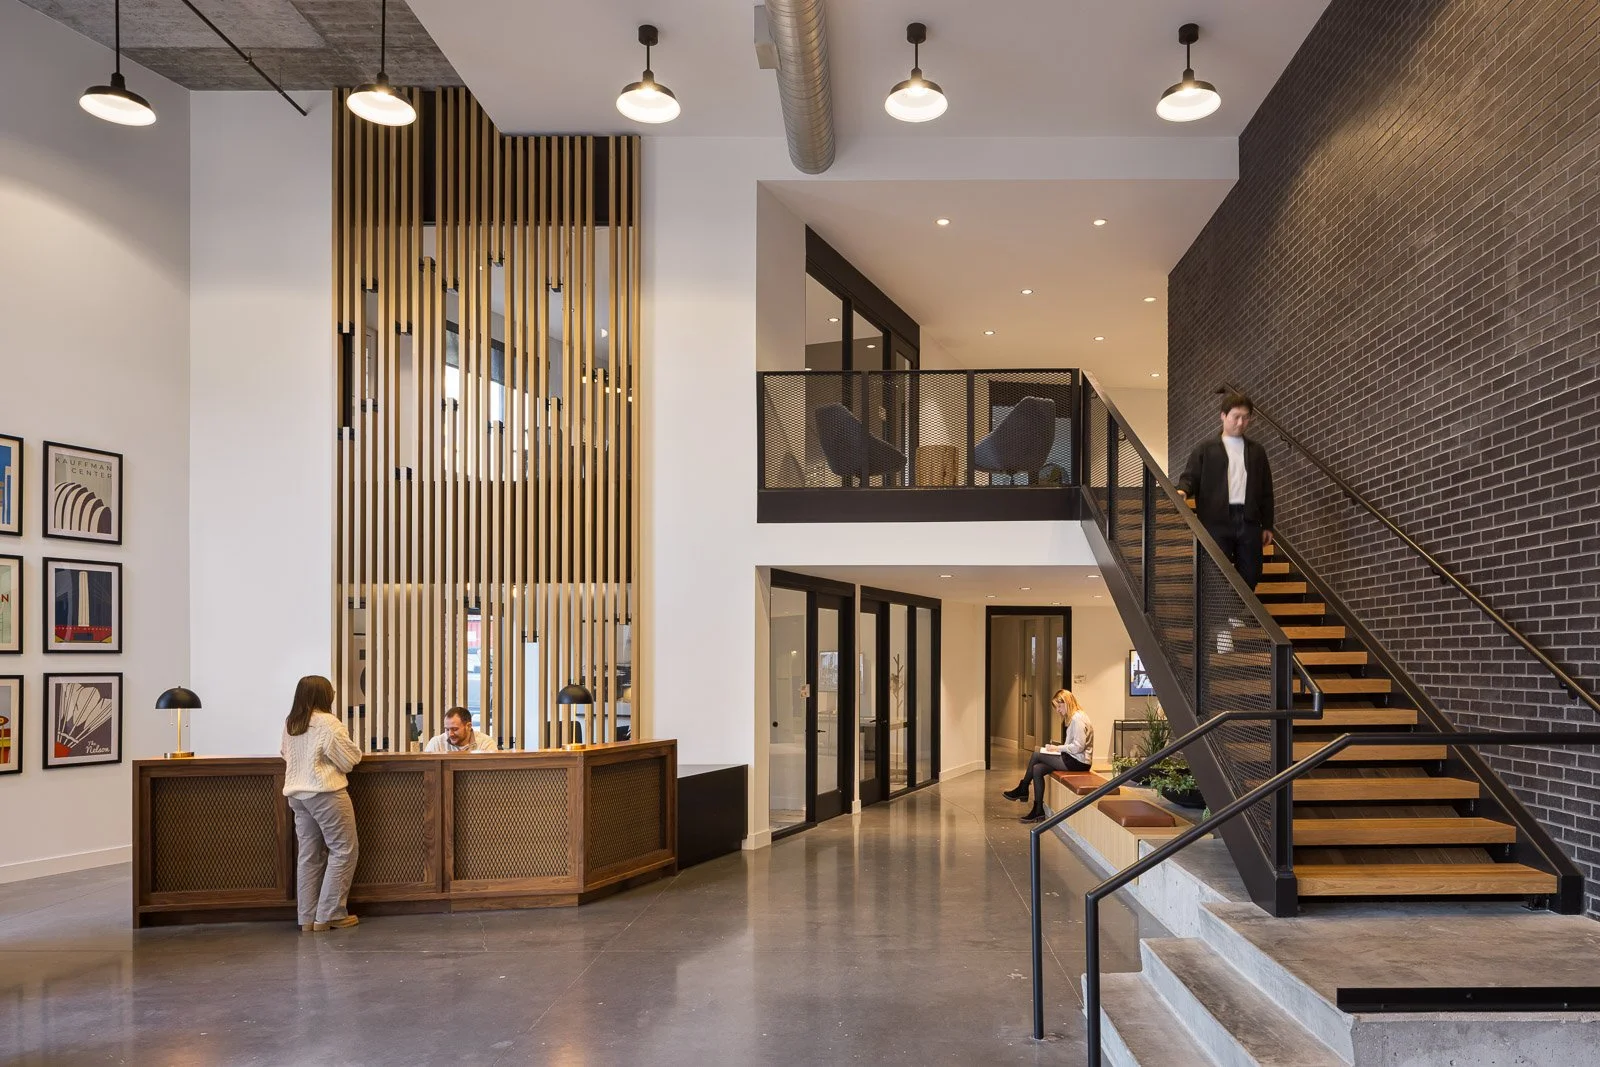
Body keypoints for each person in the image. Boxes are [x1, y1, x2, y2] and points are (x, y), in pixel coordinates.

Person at [280, 675, 363, 933]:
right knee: (343, 850)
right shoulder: (327, 723)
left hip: (297, 795)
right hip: (325, 793)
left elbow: (284, 753)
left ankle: (306, 918)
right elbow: (349, 759)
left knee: (309, 855)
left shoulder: (291, 723)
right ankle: (331, 914)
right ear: (323, 695)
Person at [1175, 392, 1275, 591]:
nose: (1240, 422)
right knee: (1214, 571)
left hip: (1249, 519)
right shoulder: (1206, 449)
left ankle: (1233, 614)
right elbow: (1190, 476)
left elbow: (1266, 489)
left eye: (1246, 418)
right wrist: (1183, 491)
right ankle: (1226, 617)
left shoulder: (1257, 451)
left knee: (1252, 571)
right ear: (1223, 416)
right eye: (1236, 417)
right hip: (1216, 519)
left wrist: (1268, 525)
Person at [1004, 689, 1095, 823]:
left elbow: (1078, 747)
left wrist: (1056, 748)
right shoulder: (1076, 717)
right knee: (1037, 769)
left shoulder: (1077, 719)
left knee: (1036, 753)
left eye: (1059, 706)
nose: (1057, 710)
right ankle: (1038, 810)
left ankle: (1023, 789)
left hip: (1078, 762)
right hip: (1073, 759)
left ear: (1067, 702)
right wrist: (1057, 750)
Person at [423, 706, 499, 753]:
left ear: (468, 726)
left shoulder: (485, 744)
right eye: (447, 729)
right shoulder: (436, 743)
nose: (450, 734)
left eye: (455, 729)